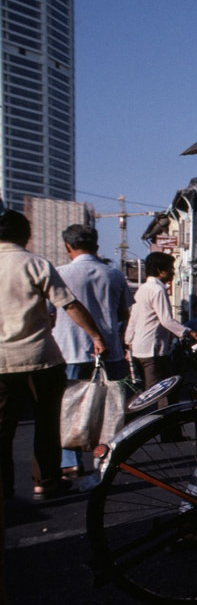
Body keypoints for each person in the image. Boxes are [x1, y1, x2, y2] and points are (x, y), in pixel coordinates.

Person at [0, 209, 107, 500]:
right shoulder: (35, 263)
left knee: (2, 430)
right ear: (27, 235)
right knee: (47, 423)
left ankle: (3, 490)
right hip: (40, 358)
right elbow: (69, 304)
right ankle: (46, 481)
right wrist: (95, 336)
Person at [52, 224, 131, 489]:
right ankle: (106, 456)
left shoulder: (59, 274)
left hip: (69, 349)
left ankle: (69, 460)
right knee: (110, 408)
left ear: (67, 246)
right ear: (97, 244)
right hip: (110, 350)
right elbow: (123, 314)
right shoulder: (114, 275)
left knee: (69, 408)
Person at [125, 252, 197, 410]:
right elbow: (166, 320)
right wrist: (195, 334)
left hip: (142, 349)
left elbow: (133, 320)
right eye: (170, 268)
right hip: (153, 350)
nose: (173, 272)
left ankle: (170, 432)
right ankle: (163, 429)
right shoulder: (157, 290)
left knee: (164, 390)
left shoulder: (143, 289)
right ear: (160, 270)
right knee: (159, 394)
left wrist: (129, 343)